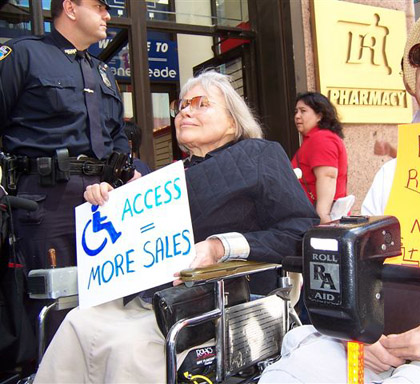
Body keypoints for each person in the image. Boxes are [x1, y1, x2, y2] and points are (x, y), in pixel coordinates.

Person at [260, 5, 420, 383]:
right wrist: (357, 329)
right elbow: (361, 272)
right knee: (292, 375)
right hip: (382, 336)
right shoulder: (393, 173)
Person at [33, 71, 319, 383]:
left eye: (200, 103)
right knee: (78, 321)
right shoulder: (169, 177)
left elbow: (301, 232)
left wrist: (221, 247)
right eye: (181, 106)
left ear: (233, 121)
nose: (185, 111)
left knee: (132, 348)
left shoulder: (260, 154)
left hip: (223, 301)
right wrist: (110, 204)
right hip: (152, 295)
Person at [0, 0, 137, 367]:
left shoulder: (104, 73)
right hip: (45, 200)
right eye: (99, 6)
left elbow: (117, 136)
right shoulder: (24, 55)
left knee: (103, 302)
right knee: (52, 307)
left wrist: (123, 173)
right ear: (70, 8)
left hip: (100, 200)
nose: (108, 15)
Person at [291, 92, 348, 224]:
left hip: (318, 218)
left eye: (303, 111)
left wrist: (322, 215)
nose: (297, 116)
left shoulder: (321, 138)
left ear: (319, 115)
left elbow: (327, 176)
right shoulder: (314, 139)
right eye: (296, 111)